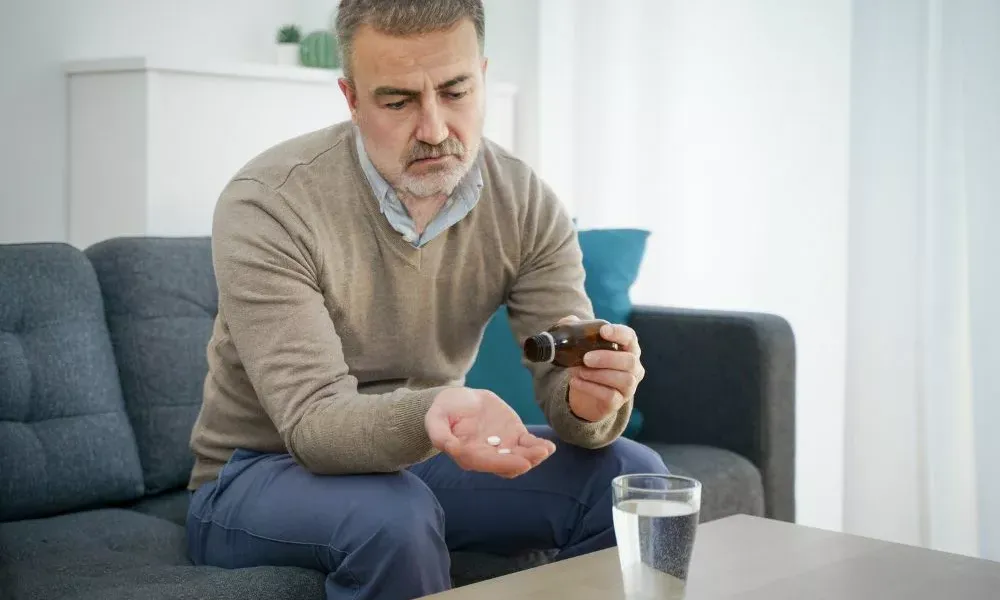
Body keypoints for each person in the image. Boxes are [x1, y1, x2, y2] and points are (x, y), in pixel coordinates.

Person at [184, 0, 670, 598]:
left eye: (456, 91)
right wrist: (436, 409)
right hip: (257, 473)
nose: (436, 129)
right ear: (352, 99)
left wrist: (593, 400)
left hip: (417, 459)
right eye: (398, 101)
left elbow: (565, 382)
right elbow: (312, 424)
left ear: (483, 78)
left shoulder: (525, 204)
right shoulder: (269, 204)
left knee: (634, 477)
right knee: (393, 514)